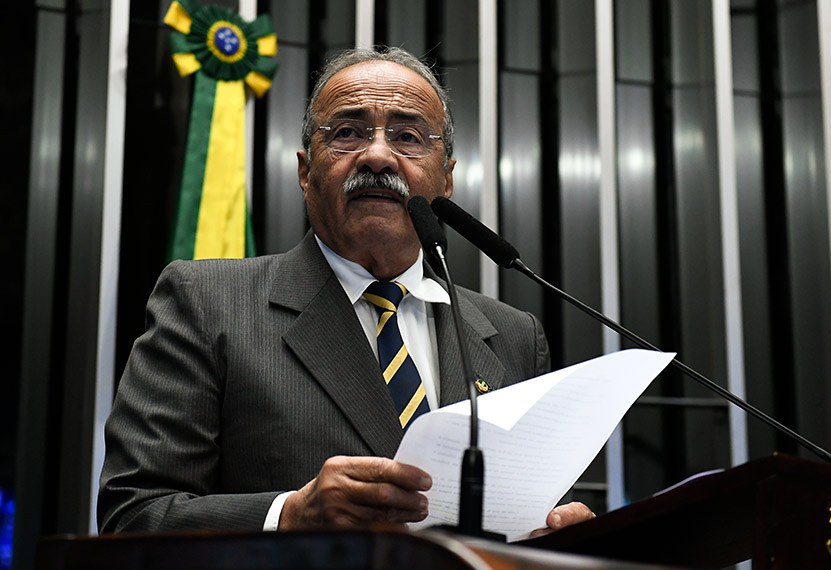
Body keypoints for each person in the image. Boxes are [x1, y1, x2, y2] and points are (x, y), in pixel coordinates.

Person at [98, 46, 594, 535]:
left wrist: (556, 535)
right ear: (305, 171)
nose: (377, 155)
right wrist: (288, 516)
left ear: (446, 180)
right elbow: (134, 517)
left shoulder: (512, 336)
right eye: (348, 133)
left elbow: (530, 512)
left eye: (408, 137)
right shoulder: (207, 303)